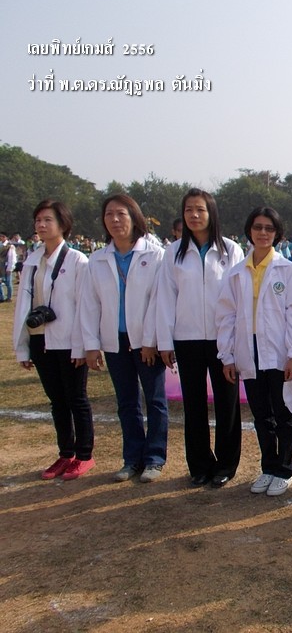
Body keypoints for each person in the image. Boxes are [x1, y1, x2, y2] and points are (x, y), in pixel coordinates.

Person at [156, 189, 244, 487]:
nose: (194, 215)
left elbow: (238, 298)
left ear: (211, 213)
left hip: (223, 340)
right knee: (193, 405)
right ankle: (199, 465)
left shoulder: (231, 250)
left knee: (227, 404)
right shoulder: (173, 253)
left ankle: (226, 465)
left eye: (200, 210)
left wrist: (235, 340)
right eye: (188, 210)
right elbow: (166, 298)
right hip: (187, 339)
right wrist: (165, 342)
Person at [216, 207, 292, 497]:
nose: (263, 233)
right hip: (248, 351)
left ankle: (284, 469)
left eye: (269, 228)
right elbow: (226, 316)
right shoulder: (236, 273)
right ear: (249, 231)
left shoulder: (287, 270)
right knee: (261, 415)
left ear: (277, 234)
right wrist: (227, 355)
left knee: (283, 413)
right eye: (257, 227)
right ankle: (268, 467)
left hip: (278, 351)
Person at [80, 194, 168, 483]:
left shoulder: (154, 255)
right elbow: (90, 304)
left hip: (146, 342)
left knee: (155, 400)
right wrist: (91, 345)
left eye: (121, 214)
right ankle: (132, 459)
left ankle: (154, 458)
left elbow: (158, 301)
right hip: (114, 341)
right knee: (126, 402)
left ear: (134, 217)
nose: (115, 220)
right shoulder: (97, 259)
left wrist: (150, 341)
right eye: (109, 214)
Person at [14, 200, 95, 480]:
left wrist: (82, 345)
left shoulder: (77, 260)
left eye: (48, 220)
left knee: (76, 399)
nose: (41, 225)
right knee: (57, 401)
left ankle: (84, 455)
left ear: (63, 225)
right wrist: (23, 347)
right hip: (40, 339)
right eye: (38, 220)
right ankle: (65, 453)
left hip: (68, 340)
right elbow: (23, 306)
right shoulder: (32, 261)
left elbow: (85, 305)